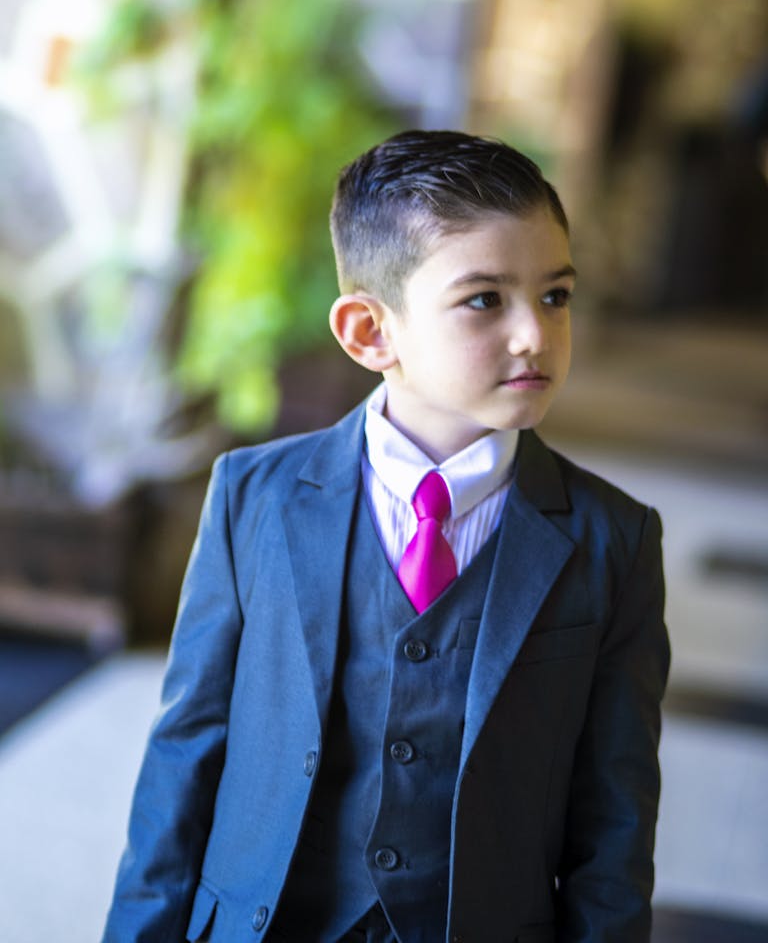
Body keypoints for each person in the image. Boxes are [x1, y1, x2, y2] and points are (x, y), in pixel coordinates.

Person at [102, 130, 670, 943]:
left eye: (555, 296)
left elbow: (615, 820)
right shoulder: (251, 498)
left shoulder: (614, 539)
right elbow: (186, 751)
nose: (534, 336)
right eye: (485, 300)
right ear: (371, 333)